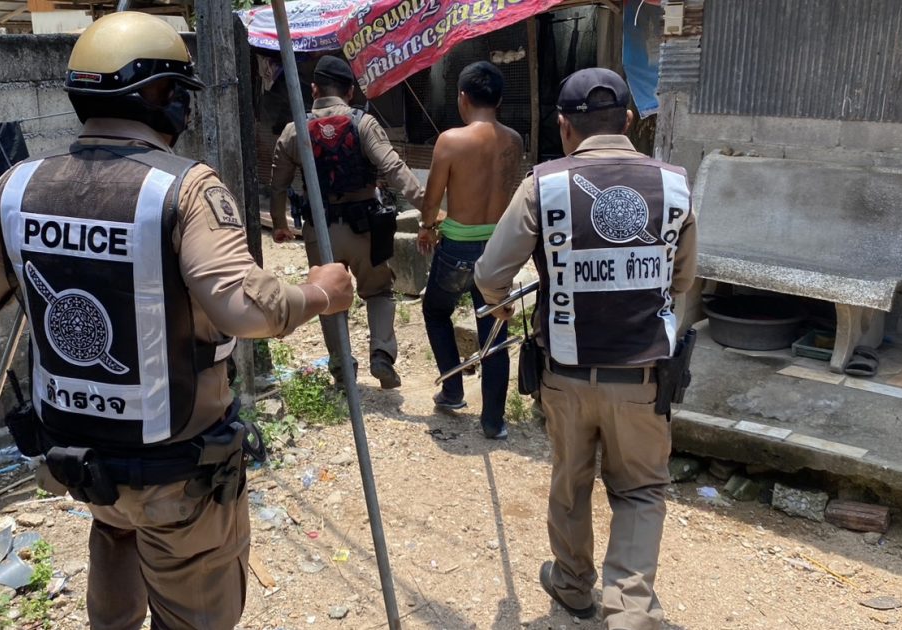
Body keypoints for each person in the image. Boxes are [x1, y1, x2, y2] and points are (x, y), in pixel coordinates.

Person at [0, 13, 354, 629]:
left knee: (115, 535)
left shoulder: (18, 186)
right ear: (159, 94)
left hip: (80, 457)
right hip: (174, 470)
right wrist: (319, 293)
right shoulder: (184, 188)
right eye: (178, 93)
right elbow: (245, 308)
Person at [474, 68, 697, 629]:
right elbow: (682, 279)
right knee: (640, 491)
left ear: (564, 127)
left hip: (565, 373)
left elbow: (490, 273)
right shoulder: (674, 185)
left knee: (570, 480)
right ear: (629, 121)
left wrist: (501, 304)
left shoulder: (544, 185)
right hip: (643, 378)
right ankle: (631, 613)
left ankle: (573, 585)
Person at [269, 55, 426, 389]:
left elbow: (278, 184)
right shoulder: (363, 123)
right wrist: (427, 206)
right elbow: (393, 168)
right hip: (364, 228)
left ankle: (342, 367)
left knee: (328, 295)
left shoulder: (293, 130)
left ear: (314, 89)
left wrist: (281, 223)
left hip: (320, 230)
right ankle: (381, 355)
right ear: (350, 92)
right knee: (379, 291)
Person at [417, 61, 522, 439]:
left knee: (435, 311)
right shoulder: (515, 141)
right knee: (494, 332)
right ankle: (494, 421)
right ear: (499, 100)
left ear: (463, 98)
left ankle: (453, 390)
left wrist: (427, 228)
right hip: (498, 250)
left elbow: (432, 200)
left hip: (457, 248)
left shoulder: (450, 140)